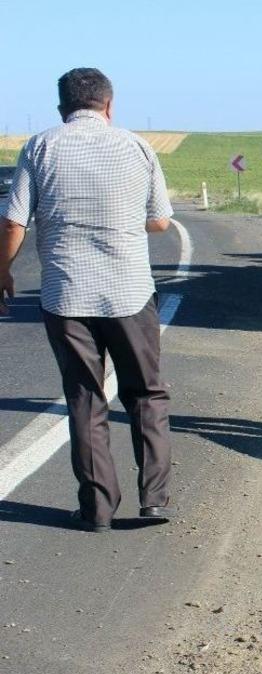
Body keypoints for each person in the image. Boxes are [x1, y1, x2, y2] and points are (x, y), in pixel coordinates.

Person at [0, 68, 177, 532]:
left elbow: (14, 222)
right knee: (146, 393)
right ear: (109, 105)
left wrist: (2, 272)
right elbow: (160, 221)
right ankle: (154, 499)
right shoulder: (137, 147)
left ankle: (96, 509)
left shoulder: (40, 146)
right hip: (130, 293)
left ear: (62, 109)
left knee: (84, 399)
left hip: (65, 295)